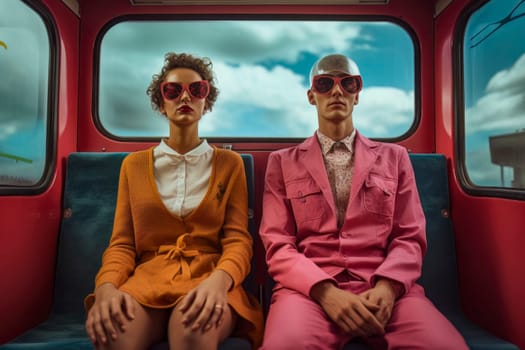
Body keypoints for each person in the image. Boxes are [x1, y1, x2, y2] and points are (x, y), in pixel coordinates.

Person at [258, 53, 467, 349]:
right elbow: (278, 244)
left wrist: (388, 287)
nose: (337, 91)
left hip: (384, 287)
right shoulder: (282, 163)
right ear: (311, 96)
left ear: (357, 95)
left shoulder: (395, 158)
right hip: (308, 292)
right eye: (324, 83)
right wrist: (325, 292)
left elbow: (409, 236)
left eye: (348, 83)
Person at [84, 52, 263, 350]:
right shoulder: (133, 166)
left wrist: (220, 282)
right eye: (172, 90)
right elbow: (123, 244)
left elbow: (237, 241)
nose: (185, 97)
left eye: (196, 90)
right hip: (147, 281)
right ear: (161, 101)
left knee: (193, 328)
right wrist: (105, 287)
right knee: (114, 334)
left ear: (207, 100)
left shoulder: (230, 164)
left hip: (209, 277)